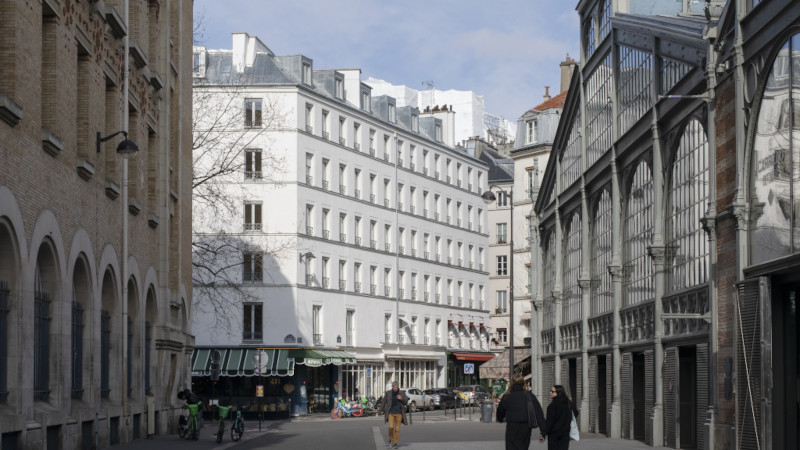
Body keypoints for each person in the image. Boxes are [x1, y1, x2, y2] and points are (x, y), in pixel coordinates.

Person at [496, 375, 546, 450]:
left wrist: (500, 418)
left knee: (511, 446)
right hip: (525, 426)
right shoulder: (529, 395)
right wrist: (543, 430)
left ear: (512, 383)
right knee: (523, 446)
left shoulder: (507, 395)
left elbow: (501, 410)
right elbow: (538, 412)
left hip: (512, 425)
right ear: (523, 383)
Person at [539, 385, 578, 450]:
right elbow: (576, 413)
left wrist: (543, 433)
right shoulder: (569, 403)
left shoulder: (552, 406)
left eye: (552, 391)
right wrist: (567, 420)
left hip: (554, 434)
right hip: (565, 433)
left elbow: (549, 422)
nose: (550, 392)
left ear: (558, 393)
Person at [380, 381, 408, 448]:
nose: (395, 388)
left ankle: (395, 443)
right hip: (391, 413)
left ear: (398, 387)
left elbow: (406, 402)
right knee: (391, 427)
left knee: (397, 429)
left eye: (396, 387)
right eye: (394, 387)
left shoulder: (401, 393)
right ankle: (390, 439)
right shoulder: (388, 393)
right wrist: (379, 411)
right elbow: (383, 402)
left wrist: (401, 399)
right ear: (392, 387)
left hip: (399, 414)